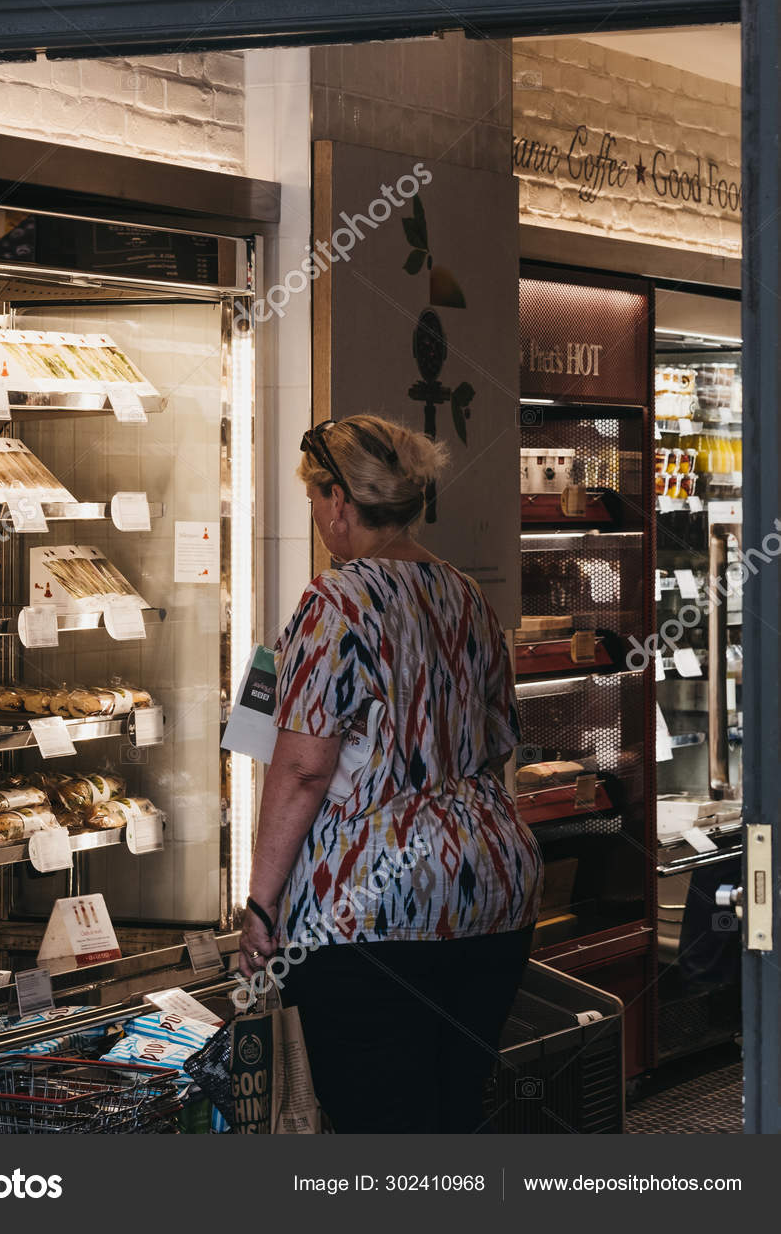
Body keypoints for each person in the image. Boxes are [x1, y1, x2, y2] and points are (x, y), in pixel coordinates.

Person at [238, 414, 543, 1134]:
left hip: (369, 906)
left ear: (339, 501)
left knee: (380, 1122)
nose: (316, 515)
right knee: (453, 1109)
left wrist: (259, 905)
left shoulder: (334, 602)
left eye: (314, 498)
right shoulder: (465, 593)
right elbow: (498, 743)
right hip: (490, 886)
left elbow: (305, 769)